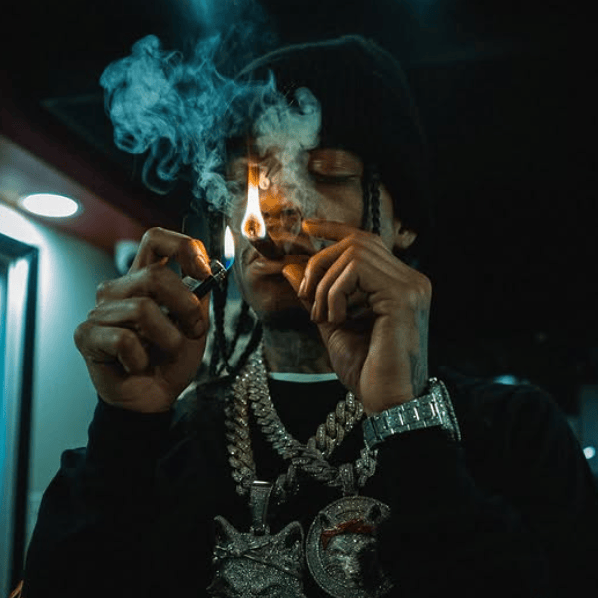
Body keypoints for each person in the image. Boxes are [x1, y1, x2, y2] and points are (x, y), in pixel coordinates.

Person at [20, 36, 598, 598]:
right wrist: (123, 431)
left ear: (403, 223)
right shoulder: (166, 437)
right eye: (247, 181)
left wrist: (409, 427)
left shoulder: (513, 432)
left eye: (324, 173)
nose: (277, 209)